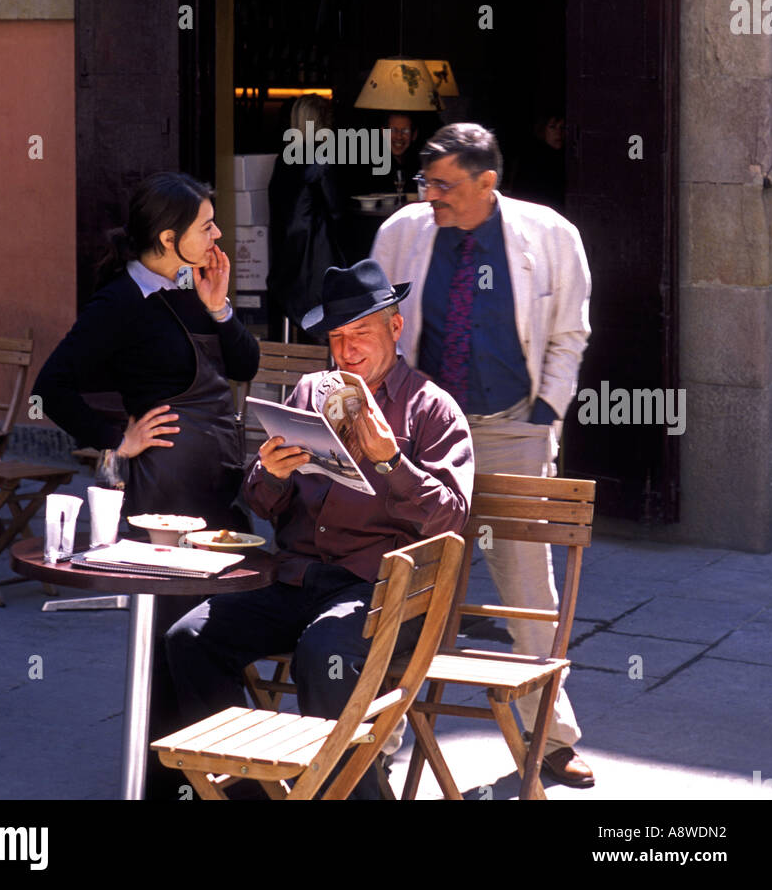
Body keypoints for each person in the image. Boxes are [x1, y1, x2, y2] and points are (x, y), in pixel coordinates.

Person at [165, 258, 473, 800]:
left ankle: (345, 795)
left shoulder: (432, 409)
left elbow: (450, 520)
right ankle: (244, 790)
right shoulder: (311, 392)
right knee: (190, 636)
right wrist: (271, 474)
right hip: (298, 579)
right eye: (337, 337)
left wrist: (389, 463)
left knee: (323, 652)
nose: (348, 351)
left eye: (360, 334)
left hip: (383, 592)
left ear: (395, 329)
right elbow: (260, 502)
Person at [371, 123, 594, 788]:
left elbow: (570, 332)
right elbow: (378, 325)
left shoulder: (550, 235)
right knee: (409, 582)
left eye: (443, 184)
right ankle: (377, 737)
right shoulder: (402, 233)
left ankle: (551, 737)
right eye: (425, 182)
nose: (428, 194)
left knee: (529, 588)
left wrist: (546, 414)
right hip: (426, 433)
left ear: (486, 183)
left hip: (511, 430)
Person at [33, 171, 260, 798]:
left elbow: (245, 365)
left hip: (215, 489)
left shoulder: (190, 291)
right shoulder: (117, 305)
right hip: (164, 498)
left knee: (204, 632)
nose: (218, 235)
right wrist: (116, 436)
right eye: (205, 227)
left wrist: (220, 307)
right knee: (178, 636)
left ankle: (207, 770)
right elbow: (52, 387)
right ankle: (183, 780)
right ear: (167, 237)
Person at [267, 93, 349, 334]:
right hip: (315, 258)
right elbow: (336, 209)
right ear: (323, 121)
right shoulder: (322, 156)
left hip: (287, 259)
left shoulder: (284, 158)